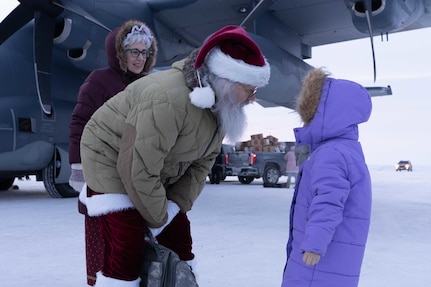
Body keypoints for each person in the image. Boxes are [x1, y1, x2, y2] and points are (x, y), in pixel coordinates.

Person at [79, 25, 270, 286]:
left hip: (149, 167)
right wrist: (158, 218)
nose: (252, 98)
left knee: (180, 238)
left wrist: (173, 209)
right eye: (250, 89)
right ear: (227, 81)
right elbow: (137, 167)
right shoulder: (169, 100)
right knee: (127, 244)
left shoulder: (218, 110)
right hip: (109, 158)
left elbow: (200, 168)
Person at [68, 20, 158, 286]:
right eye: (134, 51)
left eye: (145, 52)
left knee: (134, 246)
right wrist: (78, 166)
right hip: (103, 177)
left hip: (136, 177)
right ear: (120, 52)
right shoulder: (99, 80)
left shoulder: (149, 85)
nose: (139, 58)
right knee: (104, 243)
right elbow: (79, 123)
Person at [281, 68, 372, 287]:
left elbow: (329, 200)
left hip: (318, 264)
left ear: (326, 111)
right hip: (333, 261)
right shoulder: (344, 150)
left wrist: (314, 244)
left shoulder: (331, 154)